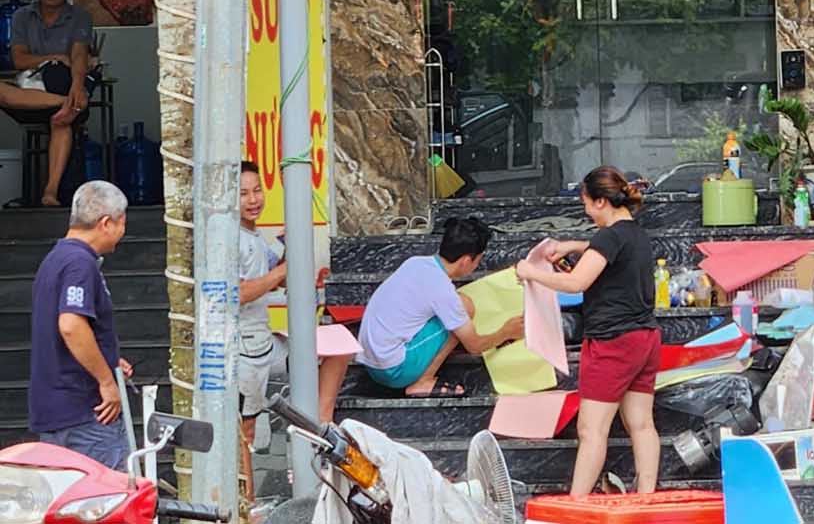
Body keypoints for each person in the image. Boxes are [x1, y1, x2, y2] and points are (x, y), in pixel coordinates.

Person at [516, 166, 661, 498]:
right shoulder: (635, 233)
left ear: (599, 202)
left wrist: (530, 272)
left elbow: (576, 282)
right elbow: (608, 250)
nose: (584, 210)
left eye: (585, 203)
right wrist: (573, 246)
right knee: (641, 424)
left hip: (613, 342)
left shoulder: (608, 237)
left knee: (591, 429)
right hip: (645, 338)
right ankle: (646, 498)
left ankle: (576, 505)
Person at [236, 162, 351, 503]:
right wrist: (286, 267)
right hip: (243, 349)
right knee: (244, 432)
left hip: (264, 343)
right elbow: (238, 292)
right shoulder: (231, 238)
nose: (253, 199)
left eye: (257, 190)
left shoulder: (255, 236)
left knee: (340, 346)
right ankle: (248, 506)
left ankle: (322, 420)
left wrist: (292, 243)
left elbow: (281, 275)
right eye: (243, 193)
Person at [28, 181, 133, 469]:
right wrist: (106, 381)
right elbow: (71, 325)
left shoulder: (55, 259)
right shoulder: (80, 263)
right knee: (108, 501)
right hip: (86, 414)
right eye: (122, 224)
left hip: (54, 410)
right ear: (106, 223)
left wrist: (107, 359)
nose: (122, 233)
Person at [356, 217, 523, 397]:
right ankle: (423, 381)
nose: (477, 265)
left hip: (372, 361)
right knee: (465, 307)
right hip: (393, 370)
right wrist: (505, 332)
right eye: (478, 261)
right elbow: (474, 346)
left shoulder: (415, 262)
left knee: (459, 304)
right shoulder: (442, 289)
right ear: (466, 261)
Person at [0, 0, 96, 206]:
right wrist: (53, 58)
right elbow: (19, 59)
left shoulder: (79, 16)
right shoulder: (22, 16)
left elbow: (78, 55)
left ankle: (50, 192)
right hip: (34, 99)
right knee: (58, 99)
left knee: (61, 113)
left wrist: (77, 86)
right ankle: (69, 103)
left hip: (66, 90)